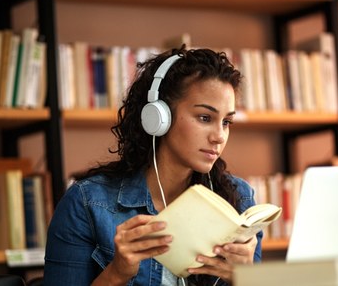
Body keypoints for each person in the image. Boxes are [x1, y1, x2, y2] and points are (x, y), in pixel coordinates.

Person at [44, 47, 262, 286]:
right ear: (158, 117)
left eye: (227, 122)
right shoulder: (87, 203)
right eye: (204, 118)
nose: (219, 136)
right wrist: (117, 273)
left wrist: (246, 278)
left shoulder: (238, 199)